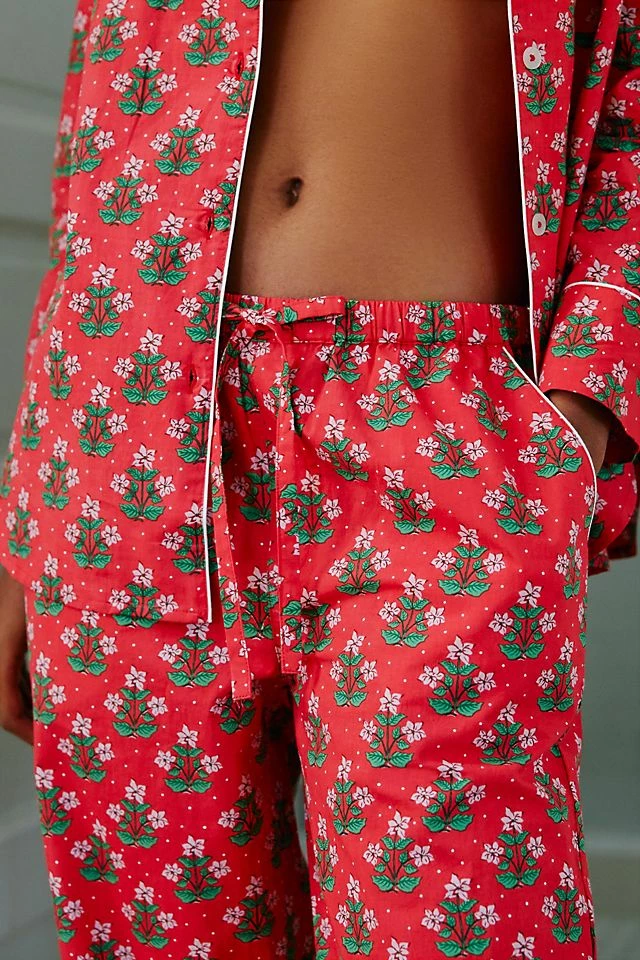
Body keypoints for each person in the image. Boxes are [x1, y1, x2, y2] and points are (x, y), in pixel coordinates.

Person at [0, 1, 639, 958]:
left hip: (441, 436)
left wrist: (587, 402)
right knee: (158, 931)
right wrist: (28, 506)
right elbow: (100, 124)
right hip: (124, 427)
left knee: (451, 923)